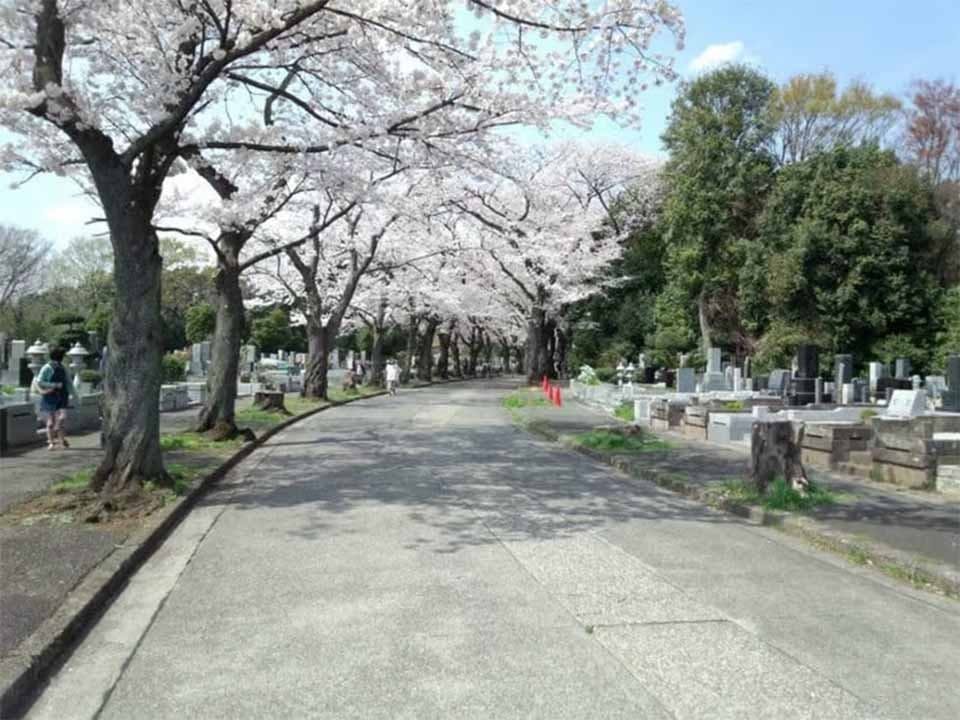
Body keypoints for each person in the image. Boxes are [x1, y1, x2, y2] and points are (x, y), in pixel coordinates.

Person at [35, 347, 76, 450]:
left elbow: (69, 382)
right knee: (50, 422)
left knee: (62, 417)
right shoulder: (46, 368)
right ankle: (52, 442)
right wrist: (54, 385)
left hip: (62, 395)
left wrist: (74, 395)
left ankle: (60, 435)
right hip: (50, 395)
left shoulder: (63, 367)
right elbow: (39, 381)